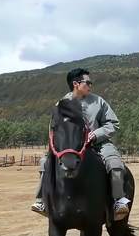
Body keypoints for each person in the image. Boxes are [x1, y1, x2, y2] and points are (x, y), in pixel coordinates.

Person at [31, 68, 130, 220]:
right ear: (76, 84)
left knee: (115, 163)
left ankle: (118, 201)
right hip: (69, 146)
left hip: (98, 144)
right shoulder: (61, 104)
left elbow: (113, 123)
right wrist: (57, 147)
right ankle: (42, 200)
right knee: (45, 162)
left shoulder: (99, 101)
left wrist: (96, 134)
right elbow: (54, 128)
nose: (90, 85)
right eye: (88, 82)